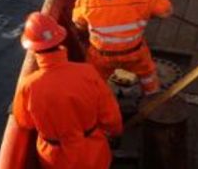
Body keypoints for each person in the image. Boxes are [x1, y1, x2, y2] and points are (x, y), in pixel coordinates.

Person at [12, 11, 123, 169]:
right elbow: (111, 116)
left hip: (55, 161)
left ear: (33, 48)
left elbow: (25, 122)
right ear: (60, 40)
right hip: (93, 155)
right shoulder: (87, 73)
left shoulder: (28, 86)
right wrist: (115, 132)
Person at [72, 0, 172, 95]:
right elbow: (166, 12)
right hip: (135, 52)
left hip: (101, 55)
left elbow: (78, 23)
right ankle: (152, 98)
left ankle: (103, 104)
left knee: (96, 80)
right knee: (147, 73)